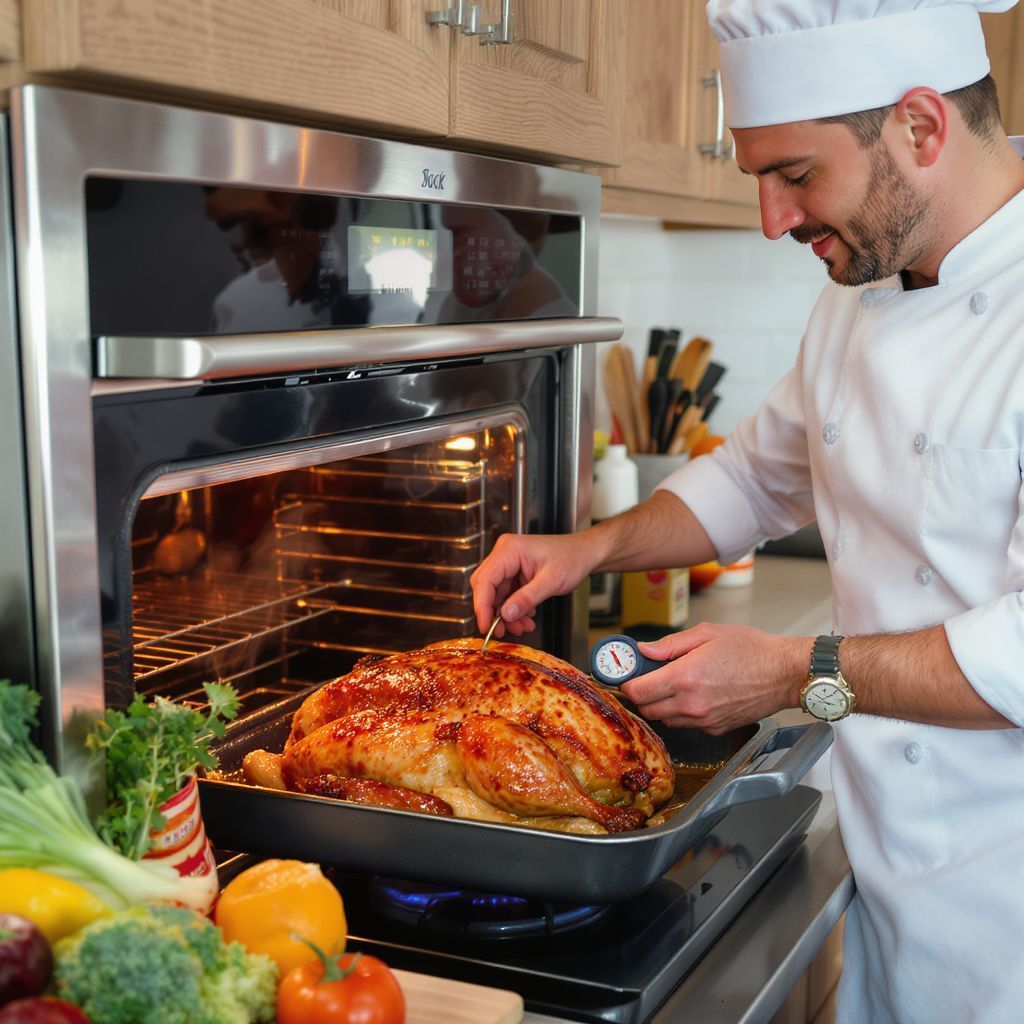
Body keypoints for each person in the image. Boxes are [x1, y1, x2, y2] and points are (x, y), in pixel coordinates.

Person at [470, 1, 1024, 1021]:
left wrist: (790, 673)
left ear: (921, 127)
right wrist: (583, 548)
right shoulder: (857, 285)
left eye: (795, 176)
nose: (773, 220)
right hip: (894, 887)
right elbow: (754, 480)